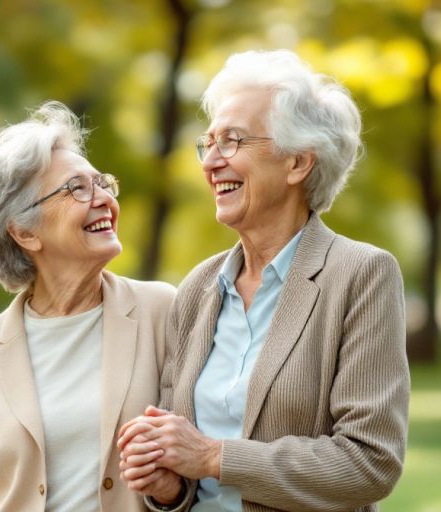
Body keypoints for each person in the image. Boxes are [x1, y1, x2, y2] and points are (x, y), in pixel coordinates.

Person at [116, 49, 410, 512]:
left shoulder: (361, 275)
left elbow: (369, 462)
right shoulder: (198, 287)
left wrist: (214, 457)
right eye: (208, 143)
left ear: (297, 163)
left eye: (232, 141)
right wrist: (166, 484)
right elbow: (185, 478)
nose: (211, 161)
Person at [0, 101, 176, 512]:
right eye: (77, 188)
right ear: (24, 232)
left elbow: (198, 464)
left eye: (101, 182)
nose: (103, 198)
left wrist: (168, 490)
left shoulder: (162, 311)